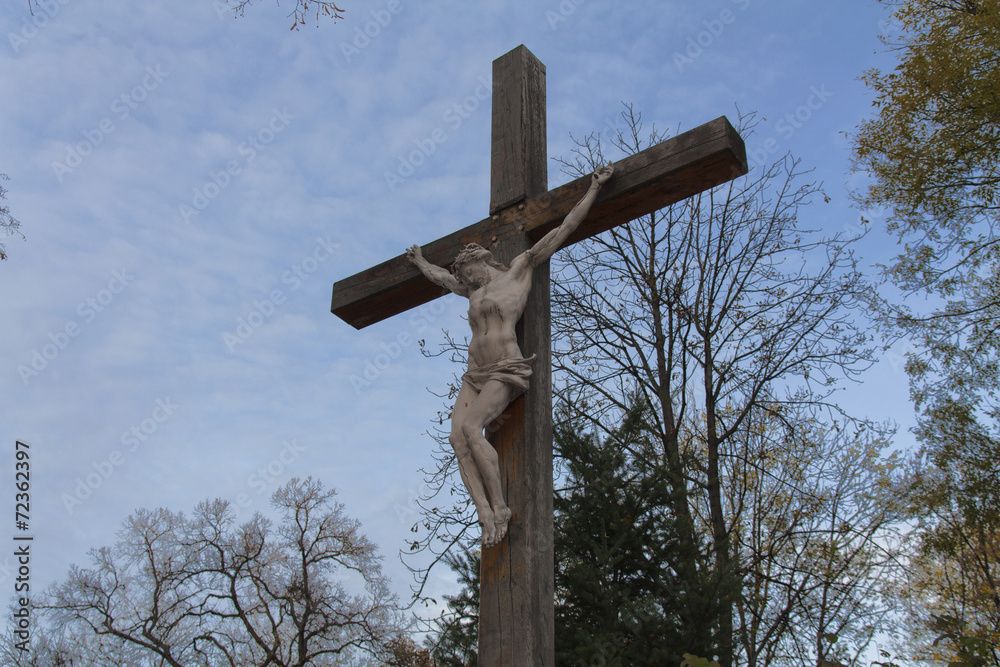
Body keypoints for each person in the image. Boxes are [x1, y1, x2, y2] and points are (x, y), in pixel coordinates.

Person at [406, 164, 613, 547]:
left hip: (505, 368)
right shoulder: (471, 292)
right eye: (464, 277)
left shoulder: (518, 271)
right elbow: (441, 278)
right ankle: (484, 513)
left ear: (481, 262)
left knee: (473, 429)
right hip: (475, 373)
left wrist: (594, 189)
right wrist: (419, 262)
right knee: (456, 438)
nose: (466, 281)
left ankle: (499, 508)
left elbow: (564, 228)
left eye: (468, 273)